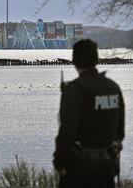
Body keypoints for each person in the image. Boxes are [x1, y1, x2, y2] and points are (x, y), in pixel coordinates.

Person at [53, 39, 125, 188]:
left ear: (74, 61)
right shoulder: (113, 88)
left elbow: (67, 131)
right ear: (96, 59)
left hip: (79, 170)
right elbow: (120, 131)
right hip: (107, 167)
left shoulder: (75, 89)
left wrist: (59, 162)